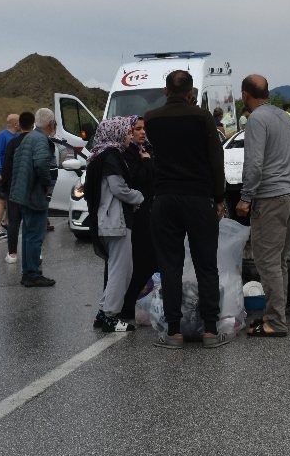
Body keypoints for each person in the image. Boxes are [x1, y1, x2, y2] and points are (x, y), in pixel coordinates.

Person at [144, 69, 228, 349]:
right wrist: (219, 197)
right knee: (206, 264)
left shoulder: (152, 120)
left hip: (165, 198)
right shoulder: (203, 117)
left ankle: (174, 331)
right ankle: (211, 331)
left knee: (170, 266)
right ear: (191, 93)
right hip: (198, 197)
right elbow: (216, 160)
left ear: (165, 91)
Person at [236, 74, 290, 338]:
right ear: (269, 93)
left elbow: (254, 163)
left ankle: (276, 321)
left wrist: (245, 197)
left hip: (270, 197)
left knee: (267, 262)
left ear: (245, 95)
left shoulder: (256, 119)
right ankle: (277, 314)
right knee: (280, 260)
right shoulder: (284, 118)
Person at [84, 117, 145, 332]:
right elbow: (119, 188)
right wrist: (139, 197)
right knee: (122, 270)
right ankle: (111, 316)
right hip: (115, 220)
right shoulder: (112, 156)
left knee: (117, 269)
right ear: (115, 133)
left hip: (105, 220)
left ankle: (104, 312)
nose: (130, 135)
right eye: (127, 132)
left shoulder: (98, 155)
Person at [10, 108, 57, 287]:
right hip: (35, 193)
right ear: (51, 124)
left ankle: (28, 272)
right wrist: (46, 184)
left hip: (22, 192)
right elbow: (41, 163)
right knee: (36, 235)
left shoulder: (28, 138)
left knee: (28, 235)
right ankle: (33, 274)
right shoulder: (40, 140)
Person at [119, 116, 156, 319]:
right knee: (143, 263)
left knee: (151, 262)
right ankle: (127, 307)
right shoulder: (129, 154)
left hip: (151, 212)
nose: (142, 132)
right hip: (138, 215)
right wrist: (147, 164)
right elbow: (138, 180)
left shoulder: (147, 150)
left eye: (144, 129)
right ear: (129, 132)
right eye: (138, 129)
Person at [1, 111, 35, 264]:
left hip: (14, 189)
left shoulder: (12, 143)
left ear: (19, 125)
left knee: (14, 222)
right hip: (32, 189)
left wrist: (5, 188)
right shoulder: (37, 142)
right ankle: (35, 253)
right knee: (31, 222)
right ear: (33, 124)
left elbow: (6, 168)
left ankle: (12, 254)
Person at [0, 114, 20, 239]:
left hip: (13, 174)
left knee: (11, 200)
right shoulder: (2, 136)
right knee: (1, 199)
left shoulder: (18, 136)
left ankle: (6, 222)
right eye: (19, 122)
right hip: (2, 174)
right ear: (15, 124)